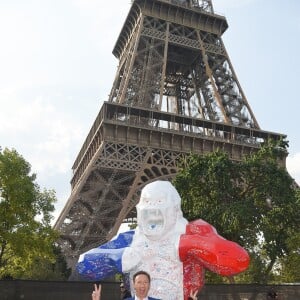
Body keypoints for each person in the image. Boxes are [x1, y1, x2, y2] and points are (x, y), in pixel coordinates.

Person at [78, 181, 250, 300]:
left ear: (175, 209)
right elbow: (84, 265)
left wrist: (187, 244)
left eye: (160, 201)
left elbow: (237, 260)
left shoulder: (195, 231)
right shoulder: (131, 239)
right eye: (147, 202)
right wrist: (119, 258)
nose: (152, 208)